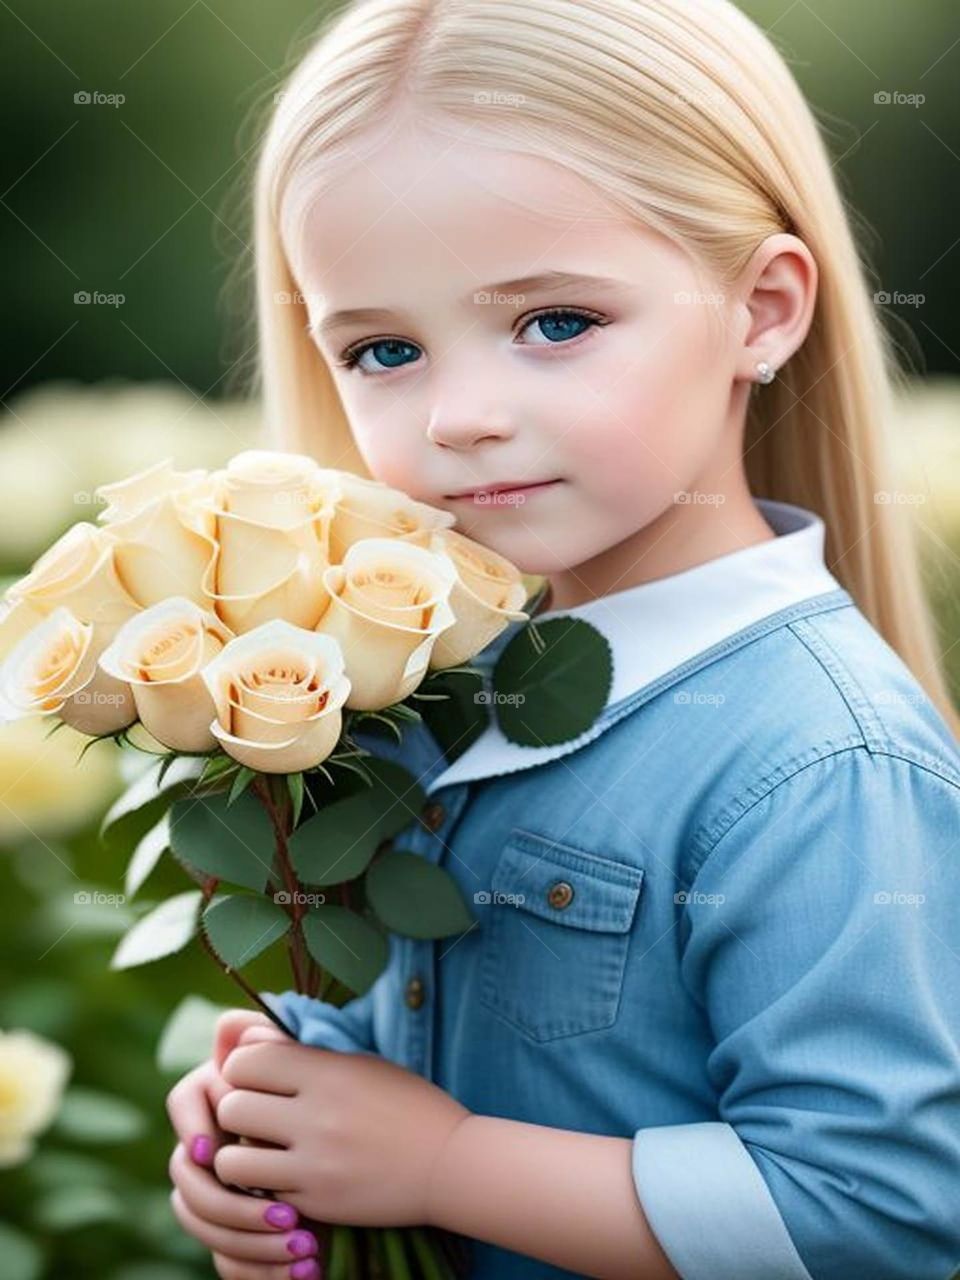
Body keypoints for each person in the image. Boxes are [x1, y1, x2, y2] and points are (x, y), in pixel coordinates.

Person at [166, 1, 960, 1276]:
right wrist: (276, 1122)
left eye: (555, 323)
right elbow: (399, 1024)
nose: (462, 416)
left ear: (761, 309)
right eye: (384, 348)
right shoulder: (416, 683)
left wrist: (442, 1163)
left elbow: (882, 1213)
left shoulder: (821, 756)